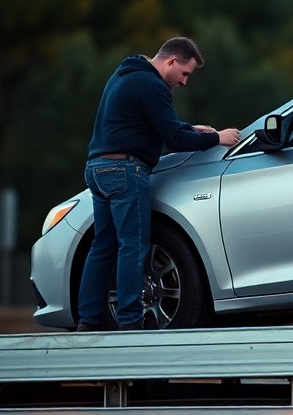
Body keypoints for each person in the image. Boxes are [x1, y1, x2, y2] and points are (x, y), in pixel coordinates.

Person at [76, 37, 241, 331]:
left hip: (97, 168)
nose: (184, 82)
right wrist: (218, 137)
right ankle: (130, 322)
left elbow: (148, 121)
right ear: (172, 61)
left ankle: (88, 320)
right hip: (126, 170)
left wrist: (191, 127)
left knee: (103, 245)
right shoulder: (153, 86)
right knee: (133, 245)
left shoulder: (125, 75)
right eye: (185, 73)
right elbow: (173, 139)